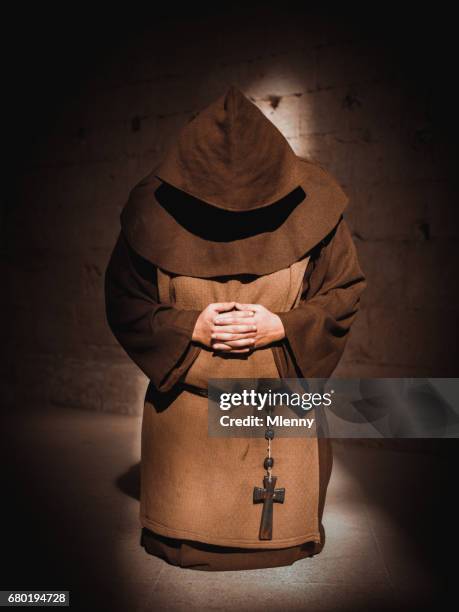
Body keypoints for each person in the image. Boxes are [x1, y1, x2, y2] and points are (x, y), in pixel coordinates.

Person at [104, 84, 367, 571]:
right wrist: (191, 327)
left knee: (282, 528)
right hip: (187, 416)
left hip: (275, 405)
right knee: (187, 532)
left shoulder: (319, 206)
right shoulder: (150, 209)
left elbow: (343, 292)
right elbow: (124, 300)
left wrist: (284, 327)